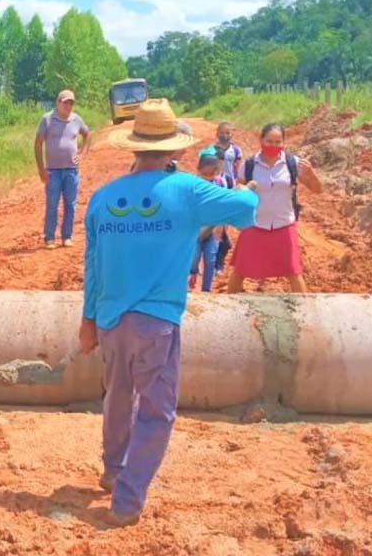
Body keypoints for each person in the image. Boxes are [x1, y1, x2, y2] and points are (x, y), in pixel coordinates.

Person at [79, 98, 259, 526]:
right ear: (176, 150)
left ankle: (113, 469)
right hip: (157, 321)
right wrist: (247, 189)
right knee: (157, 411)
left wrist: (87, 322)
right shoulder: (186, 191)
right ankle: (126, 501)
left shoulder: (103, 200)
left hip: (109, 321)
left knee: (117, 397)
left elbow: (92, 265)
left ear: (134, 147)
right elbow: (247, 212)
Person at [227, 123, 323, 293]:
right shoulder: (249, 165)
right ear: (261, 140)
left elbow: (317, 189)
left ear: (284, 143)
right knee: (240, 271)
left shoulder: (292, 163)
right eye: (269, 141)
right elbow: (237, 190)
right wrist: (241, 190)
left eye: (278, 142)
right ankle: (228, 310)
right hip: (254, 224)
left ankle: (305, 314)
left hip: (283, 225)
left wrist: (311, 174)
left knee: (293, 272)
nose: (274, 145)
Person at [35, 90, 90, 249]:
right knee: (52, 204)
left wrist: (83, 153)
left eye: (71, 103)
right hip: (53, 171)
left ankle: (67, 236)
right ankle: (49, 237)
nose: (68, 106)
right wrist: (41, 170)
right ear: (58, 102)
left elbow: (87, 134)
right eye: (65, 102)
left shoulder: (76, 119)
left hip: (71, 170)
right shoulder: (47, 119)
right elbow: (38, 144)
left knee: (70, 205)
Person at [188, 152, 227, 292]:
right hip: (195, 229)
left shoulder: (220, 183)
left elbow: (223, 206)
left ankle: (206, 290)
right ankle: (191, 278)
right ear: (198, 170)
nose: (208, 177)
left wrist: (221, 227)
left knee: (210, 260)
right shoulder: (192, 185)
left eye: (212, 173)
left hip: (213, 227)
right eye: (205, 173)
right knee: (193, 258)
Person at [200, 122, 243, 188]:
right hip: (214, 181)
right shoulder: (211, 149)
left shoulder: (236, 150)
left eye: (227, 133)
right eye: (221, 133)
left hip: (230, 182)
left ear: (232, 134)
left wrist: (235, 180)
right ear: (217, 134)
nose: (224, 135)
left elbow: (237, 167)